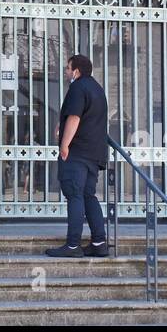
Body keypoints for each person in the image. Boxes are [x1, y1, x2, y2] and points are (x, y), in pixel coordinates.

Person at [46, 53, 110, 258]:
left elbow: (74, 117)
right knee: (88, 195)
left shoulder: (77, 87)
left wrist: (64, 145)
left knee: (74, 194)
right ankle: (99, 242)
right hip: (94, 153)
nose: (66, 72)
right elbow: (85, 117)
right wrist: (61, 124)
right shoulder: (97, 89)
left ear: (76, 71)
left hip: (78, 152)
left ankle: (73, 245)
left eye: (67, 68)